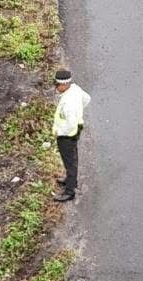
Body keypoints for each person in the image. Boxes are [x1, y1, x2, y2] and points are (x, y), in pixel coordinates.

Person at [52, 69, 90, 202]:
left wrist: (60, 132)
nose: (56, 88)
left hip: (67, 135)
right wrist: (79, 111)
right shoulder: (75, 89)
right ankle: (70, 179)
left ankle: (70, 191)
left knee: (70, 161)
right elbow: (87, 99)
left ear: (64, 85)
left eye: (57, 85)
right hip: (76, 129)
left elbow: (70, 122)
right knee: (72, 158)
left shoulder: (68, 103)